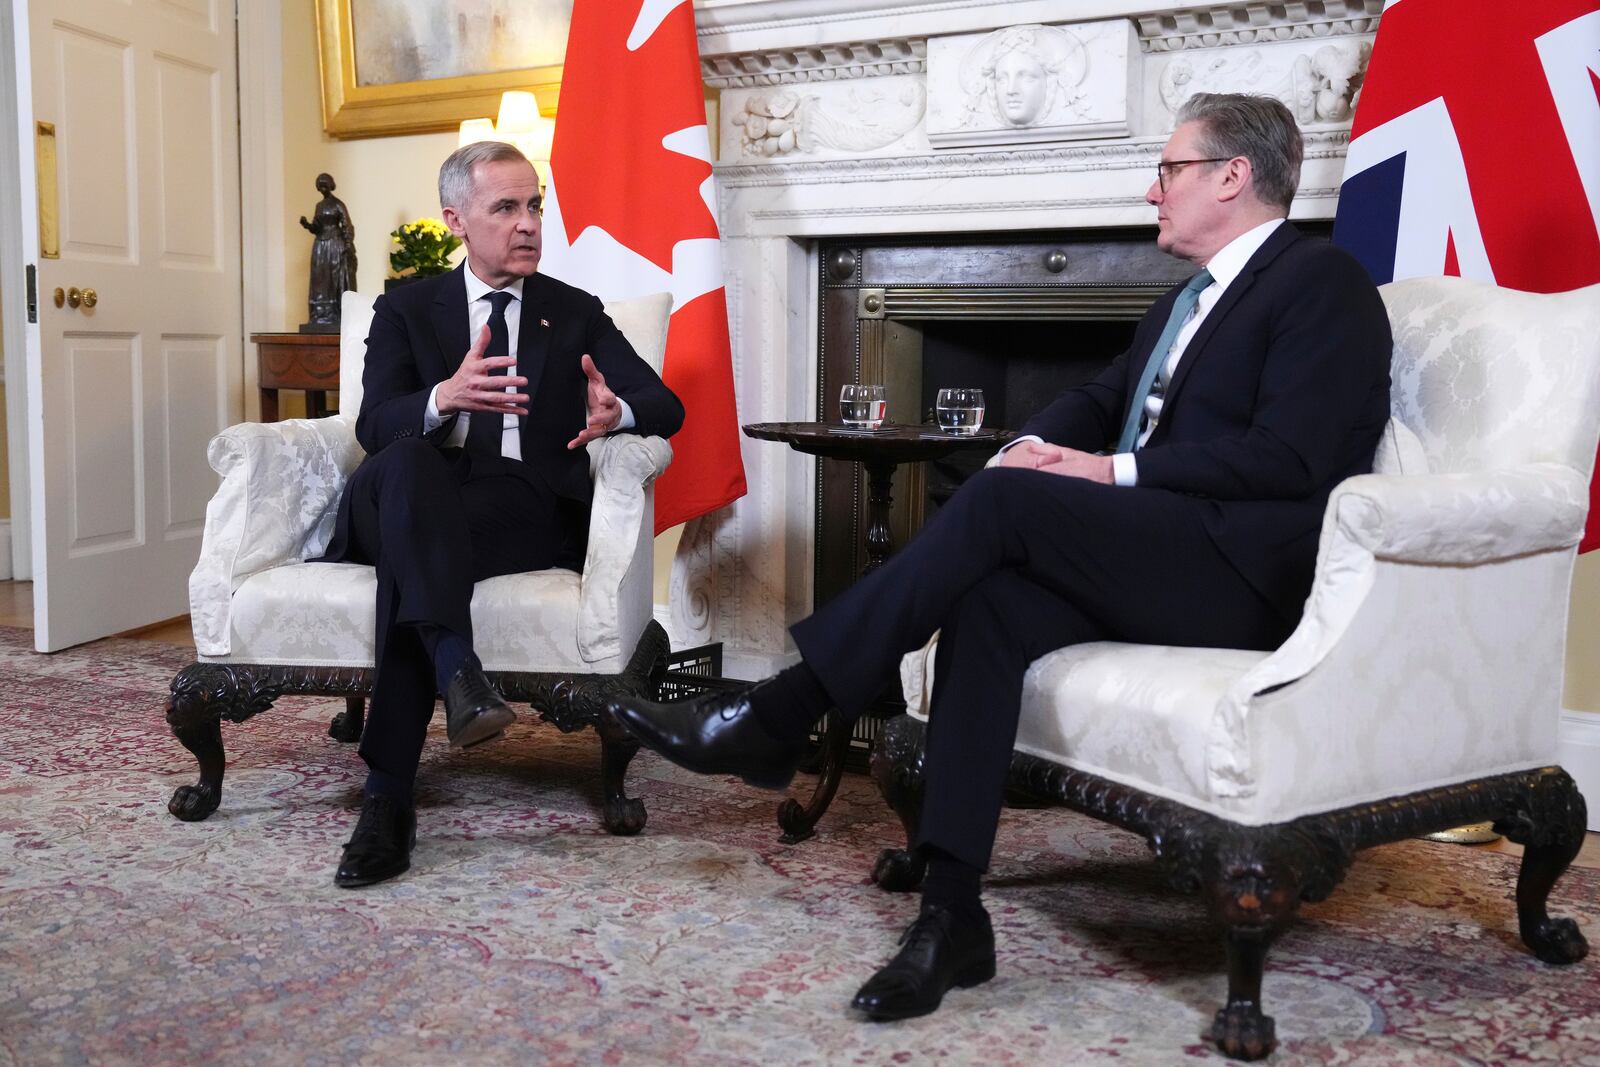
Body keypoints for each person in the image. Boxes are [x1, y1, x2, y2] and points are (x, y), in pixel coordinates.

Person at [609, 93, 1391, 1020]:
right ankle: (951, 916)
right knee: (992, 603)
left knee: (1009, 508)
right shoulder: (1184, 301)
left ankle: (783, 710)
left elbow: (1292, 458)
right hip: (1155, 555)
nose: (1153, 191)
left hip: (1239, 571)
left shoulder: (1322, 282)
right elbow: (1096, 398)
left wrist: (1105, 473)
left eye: (1171, 170)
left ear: (1233, 176)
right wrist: (1034, 448)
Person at [318, 141, 683, 888]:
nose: (528, 225)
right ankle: (456, 668)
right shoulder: (406, 306)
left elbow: (666, 405)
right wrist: (442, 399)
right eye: (506, 208)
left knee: (418, 557)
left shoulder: (573, 313)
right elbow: (374, 425)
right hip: (396, 496)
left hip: (513, 512)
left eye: (535, 205)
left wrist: (617, 414)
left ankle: (389, 795)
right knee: (414, 461)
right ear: (455, 218)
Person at [299, 172, 358, 327]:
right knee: (320, 278)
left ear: (330, 185)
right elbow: (317, 227)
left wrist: (347, 244)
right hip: (320, 245)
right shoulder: (319, 206)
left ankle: (335, 312)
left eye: (325, 184)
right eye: (320, 185)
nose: (323, 188)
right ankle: (319, 314)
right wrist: (307, 225)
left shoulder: (338, 204)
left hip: (335, 244)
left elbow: (347, 225)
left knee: (334, 278)